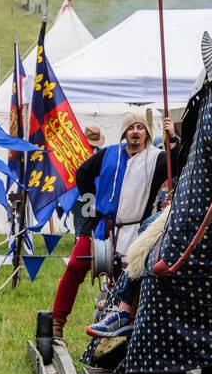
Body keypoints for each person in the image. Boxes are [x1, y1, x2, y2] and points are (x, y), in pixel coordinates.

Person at [51, 112, 166, 340]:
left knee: (127, 281)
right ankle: (56, 322)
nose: (135, 131)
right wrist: (92, 202)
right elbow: (82, 173)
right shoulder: (109, 153)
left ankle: (124, 330)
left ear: (146, 133)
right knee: (75, 266)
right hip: (101, 226)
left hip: (136, 231)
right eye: (131, 128)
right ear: (125, 132)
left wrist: (173, 140)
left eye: (140, 127)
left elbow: (179, 161)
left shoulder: (156, 158)